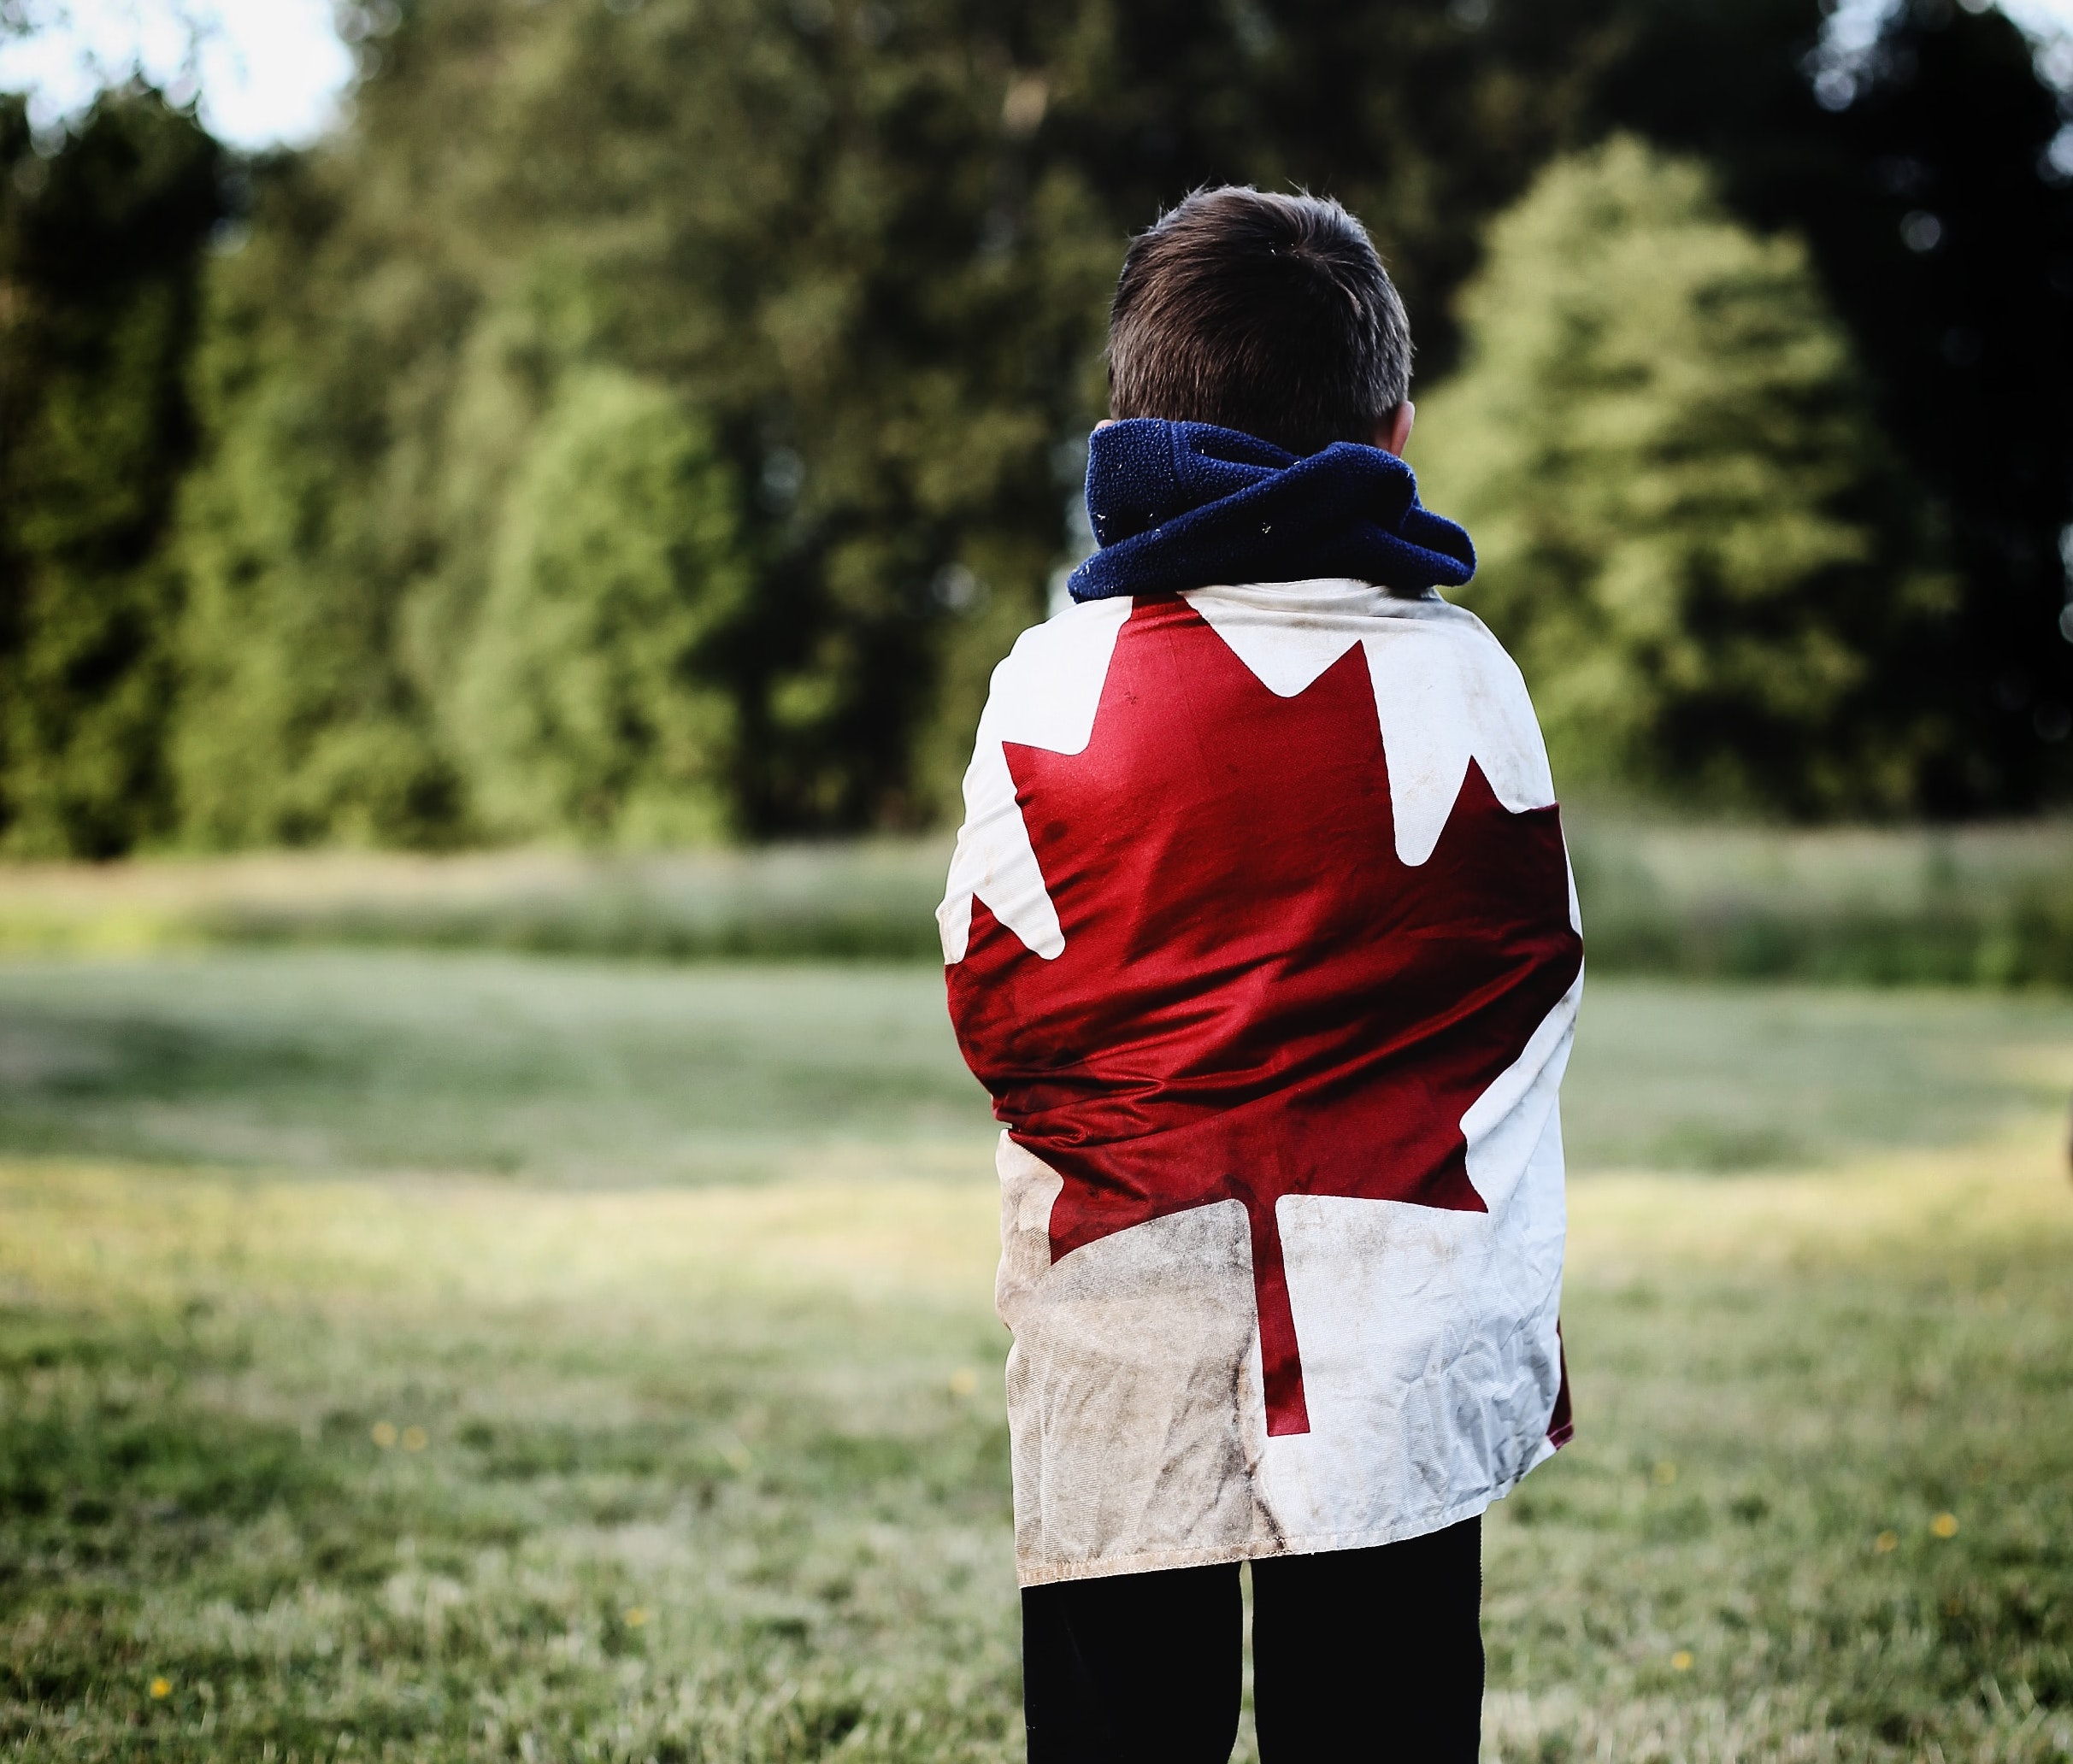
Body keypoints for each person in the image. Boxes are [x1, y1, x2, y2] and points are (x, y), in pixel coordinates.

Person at [939, 186, 1584, 1763]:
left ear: (1128, 415)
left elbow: (993, 1003)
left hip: (1125, 1295)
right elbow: (1528, 982)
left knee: (1115, 1724)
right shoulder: (1465, 676)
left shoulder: (1050, 683)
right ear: (1397, 426)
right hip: (1399, 1313)